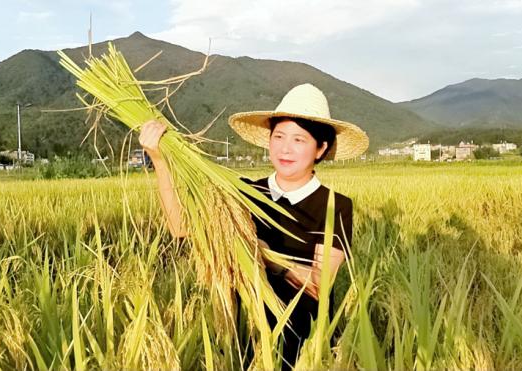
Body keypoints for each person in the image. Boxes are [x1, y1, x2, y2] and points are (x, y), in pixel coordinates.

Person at [138, 83, 369, 370]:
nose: (285, 148)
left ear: (320, 149)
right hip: (247, 341)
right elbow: (180, 226)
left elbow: (320, 285)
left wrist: (268, 257)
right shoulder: (242, 193)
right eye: (279, 136)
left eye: (299, 140)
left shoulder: (335, 206)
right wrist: (160, 161)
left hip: (306, 348)